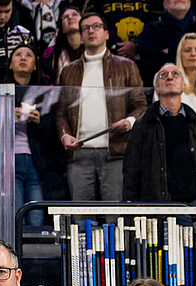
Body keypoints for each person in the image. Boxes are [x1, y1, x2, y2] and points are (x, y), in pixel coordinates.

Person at [55, 10, 147, 202]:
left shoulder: (127, 66)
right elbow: (61, 112)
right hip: (79, 153)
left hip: (115, 152)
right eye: (86, 28)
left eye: (96, 26)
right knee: (80, 216)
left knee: (114, 215)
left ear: (106, 34)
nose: (91, 31)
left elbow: (141, 106)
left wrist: (129, 121)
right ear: (81, 37)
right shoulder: (68, 71)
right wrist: (65, 135)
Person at [122, 63, 196, 214]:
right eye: (163, 75)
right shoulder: (143, 125)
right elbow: (131, 173)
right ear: (156, 88)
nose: (170, 77)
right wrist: (131, 212)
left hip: (192, 207)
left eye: (175, 74)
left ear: (183, 86)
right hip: (155, 209)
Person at [6, 40, 60, 227]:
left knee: (36, 219)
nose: (23, 58)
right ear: (10, 64)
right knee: (15, 218)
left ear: (35, 66)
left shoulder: (44, 94)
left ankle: (34, 249)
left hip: (36, 161)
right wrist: (5, 115)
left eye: (28, 55)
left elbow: (53, 136)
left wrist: (39, 122)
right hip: (10, 160)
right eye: (18, 55)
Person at [135, 0, 196, 88]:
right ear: (165, 4)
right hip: (163, 87)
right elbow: (148, 57)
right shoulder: (152, 28)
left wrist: (171, 49)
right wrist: (194, 54)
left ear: (189, 3)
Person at [45, 2, 84, 81]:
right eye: (66, 17)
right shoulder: (52, 53)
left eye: (74, 15)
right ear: (62, 28)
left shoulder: (94, 46)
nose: (70, 18)